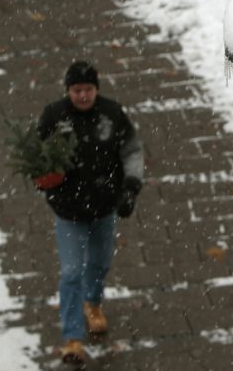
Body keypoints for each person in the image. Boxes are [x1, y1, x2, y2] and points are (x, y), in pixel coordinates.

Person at [37, 61, 144, 365]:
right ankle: (71, 338)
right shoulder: (54, 117)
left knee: (99, 263)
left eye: (87, 90)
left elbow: (132, 150)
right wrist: (44, 181)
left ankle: (93, 303)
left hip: (103, 207)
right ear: (68, 91)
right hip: (68, 210)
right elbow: (36, 154)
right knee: (71, 271)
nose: (82, 96)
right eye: (76, 90)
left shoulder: (112, 115)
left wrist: (130, 187)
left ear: (96, 89)